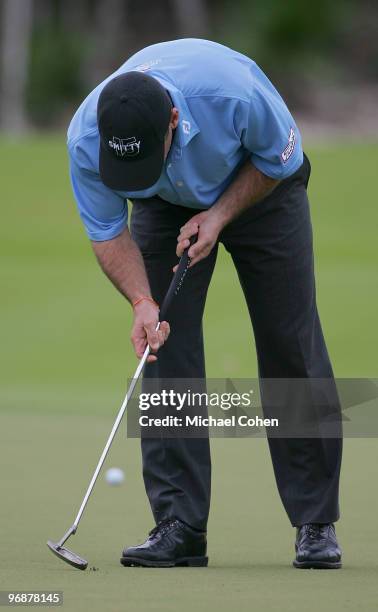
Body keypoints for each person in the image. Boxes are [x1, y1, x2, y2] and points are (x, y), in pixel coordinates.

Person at [67, 38, 342, 569]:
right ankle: (179, 525)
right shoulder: (86, 135)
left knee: (290, 341)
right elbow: (107, 230)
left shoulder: (232, 94)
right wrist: (142, 303)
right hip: (162, 203)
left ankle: (315, 523)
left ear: (173, 119)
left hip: (261, 186)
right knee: (163, 344)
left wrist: (217, 216)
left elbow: (281, 157)